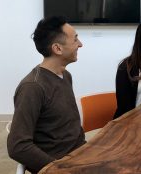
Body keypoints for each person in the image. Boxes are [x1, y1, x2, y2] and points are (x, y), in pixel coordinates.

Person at [7, 16, 85, 173]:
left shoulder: (66, 76)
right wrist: (58, 168)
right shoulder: (32, 87)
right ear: (57, 49)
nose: (80, 44)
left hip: (79, 157)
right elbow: (18, 146)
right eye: (75, 39)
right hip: (61, 166)